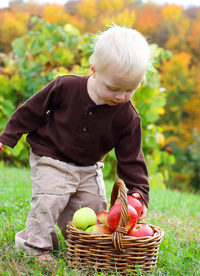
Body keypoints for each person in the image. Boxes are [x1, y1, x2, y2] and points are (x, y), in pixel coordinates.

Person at [0, 24, 152, 261]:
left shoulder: (128, 117)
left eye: (130, 89)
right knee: (49, 199)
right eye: (113, 88)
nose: (121, 96)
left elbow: (132, 159)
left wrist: (138, 193)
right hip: (50, 154)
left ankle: (84, 246)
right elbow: (32, 110)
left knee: (92, 211)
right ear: (94, 69)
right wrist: (7, 136)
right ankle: (35, 245)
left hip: (88, 167)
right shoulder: (66, 86)